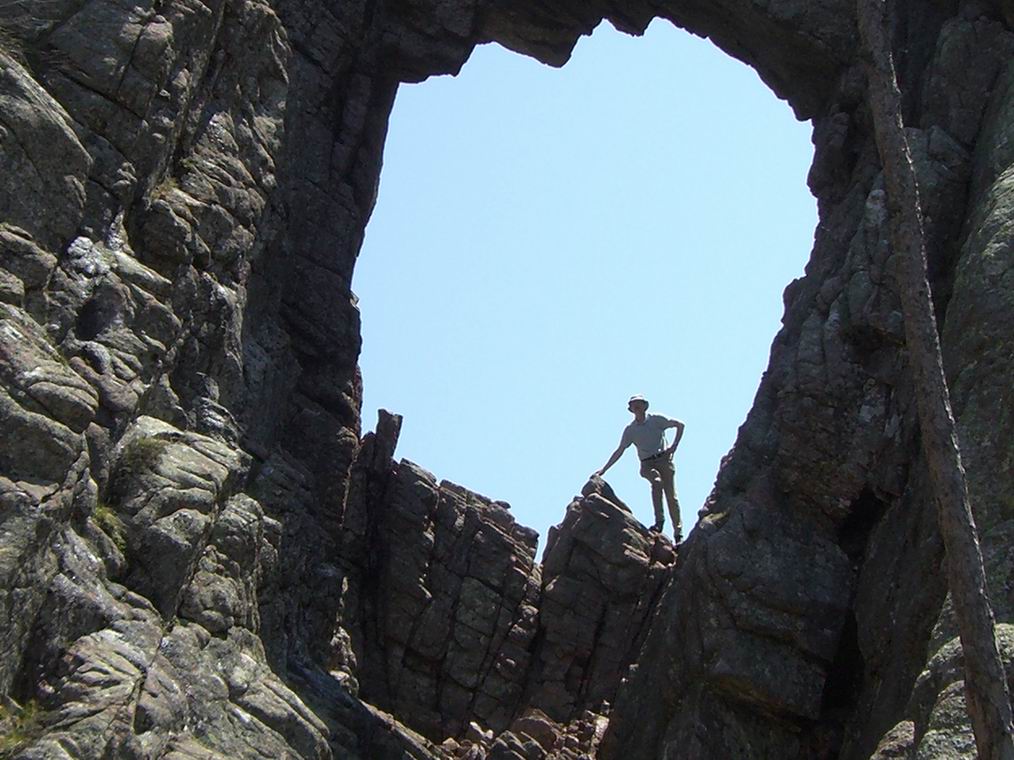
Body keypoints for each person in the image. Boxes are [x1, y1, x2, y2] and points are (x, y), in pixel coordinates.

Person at [594, 395, 685, 540]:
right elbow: (620, 450)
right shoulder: (631, 430)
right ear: (631, 409)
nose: (636, 406)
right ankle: (659, 521)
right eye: (633, 405)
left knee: (671, 497)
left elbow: (680, 425)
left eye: (638, 403)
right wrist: (604, 469)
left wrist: (674, 446)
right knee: (656, 481)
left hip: (664, 460)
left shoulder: (656, 420)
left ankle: (678, 533)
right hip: (647, 464)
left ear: (645, 406)